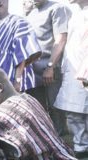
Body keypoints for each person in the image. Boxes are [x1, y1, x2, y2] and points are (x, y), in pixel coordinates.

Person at [25, 0, 71, 136]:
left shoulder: (57, 8)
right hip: (32, 71)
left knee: (55, 107)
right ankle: (44, 139)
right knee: (37, 108)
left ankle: (60, 142)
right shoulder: (31, 13)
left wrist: (50, 67)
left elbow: (61, 39)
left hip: (50, 68)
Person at [54, 0, 88, 158]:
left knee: (81, 111)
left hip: (83, 69)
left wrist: (85, 70)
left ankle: (82, 147)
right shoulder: (75, 15)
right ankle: (81, 146)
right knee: (74, 112)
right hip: (72, 69)